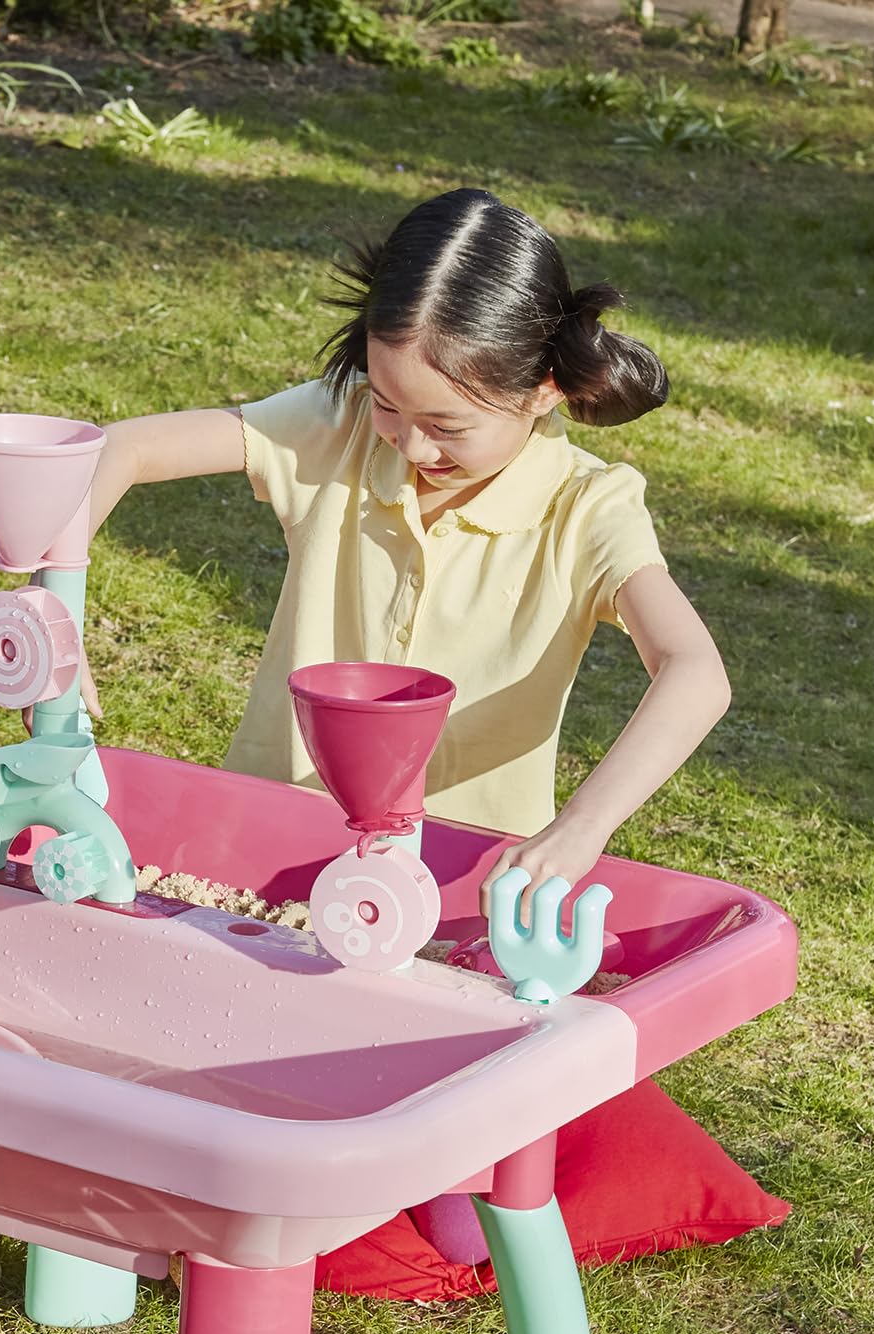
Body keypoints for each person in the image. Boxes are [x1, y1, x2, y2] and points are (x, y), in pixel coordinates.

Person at [84, 186, 730, 912]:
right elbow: (122, 448)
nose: (413, 446)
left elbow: (695, 672)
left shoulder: (587, 509)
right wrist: (56, 600)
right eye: (389, 403)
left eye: (448, 426)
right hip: (254, 867)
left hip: (463, 895)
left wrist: (581, 827)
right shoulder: (338, 426)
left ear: (544, 390)